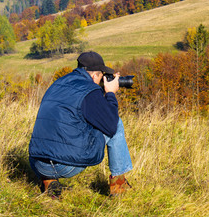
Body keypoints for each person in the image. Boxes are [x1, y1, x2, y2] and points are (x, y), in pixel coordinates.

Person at [28, 51, 133, 198]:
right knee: (117, 123)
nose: (102, 79)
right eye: (102, 75)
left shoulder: (58, 83)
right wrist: (110, 93)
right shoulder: (89, 90)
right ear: (94, 75)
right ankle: (119, 187)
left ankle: (48, 180)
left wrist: (101, 93)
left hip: (37, 163)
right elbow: (110, 125)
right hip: (66, 165)